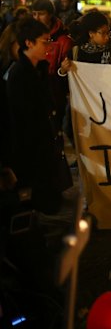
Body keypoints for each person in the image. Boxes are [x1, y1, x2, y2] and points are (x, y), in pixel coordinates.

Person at [6, 17, 72, 214]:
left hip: (45, 151)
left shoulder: (40, 70)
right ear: (29, 43)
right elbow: (20, 120)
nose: (50, 46)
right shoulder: (18, 74)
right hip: (31, 155)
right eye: (45, 41)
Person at [31, 0, 73, 130]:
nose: (37, 18)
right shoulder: (28, 35)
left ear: (50, 15)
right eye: (34, 14)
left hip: (54, 95)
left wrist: (62, 71)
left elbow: (66, 73)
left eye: (41, 14)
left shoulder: (63, 40)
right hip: (32, 93)